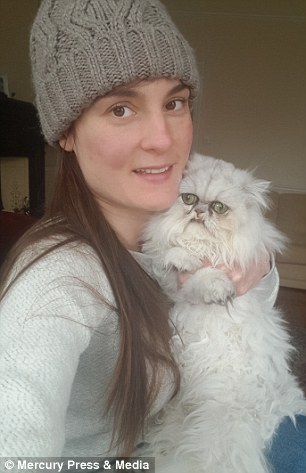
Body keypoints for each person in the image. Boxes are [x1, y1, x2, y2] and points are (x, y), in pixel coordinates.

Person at [0, 0, 305, 470]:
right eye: (121, 108)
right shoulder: (56, 278)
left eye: (174, 102)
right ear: (66, 133)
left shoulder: (166, 216)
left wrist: (258, 267)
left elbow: (241, 301)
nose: (163, 139)